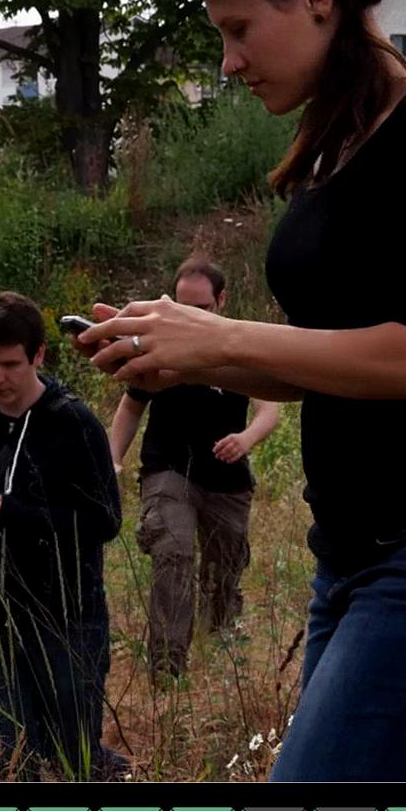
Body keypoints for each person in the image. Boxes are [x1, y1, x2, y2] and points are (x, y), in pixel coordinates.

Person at [79, 0, 406, 782]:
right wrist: (186, 355)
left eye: (239, 29)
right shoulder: (335, 143)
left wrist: (219, 338)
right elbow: (330, 360)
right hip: (349, 554)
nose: (229, 62)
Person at [0, 292, 124, 781]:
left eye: (10, 365)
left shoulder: (75, 424)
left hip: (66, 613)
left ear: (38, 355)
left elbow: (105, 521)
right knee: (5, 755)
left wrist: (17, 514)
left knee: (72, 755)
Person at [109, 258, 280, 678]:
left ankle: (219, 639)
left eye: (201, 308)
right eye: (184, 306)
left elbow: (269, 409)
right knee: (173, 551)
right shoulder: (158, 346)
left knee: (225, 567)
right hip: (168, 468)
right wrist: (111, 459)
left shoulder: (240, 346)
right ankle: (168, 664)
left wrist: (246, 439)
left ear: (221, 300)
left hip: (226, 477)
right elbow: (130, 407)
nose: (192, 316)